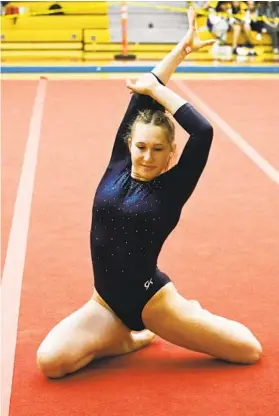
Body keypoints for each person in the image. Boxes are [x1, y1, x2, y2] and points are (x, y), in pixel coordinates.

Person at [36, 8, 262, 379]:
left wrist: (159, 91)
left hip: (153, 302)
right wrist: (181, 51)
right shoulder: (118, 162)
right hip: (105, 302)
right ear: (129, 143)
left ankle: (159, 324)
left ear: (170, 153)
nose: (147, 156)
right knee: (51, 362)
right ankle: (129, 339)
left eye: (159, 150)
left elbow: (202, 132)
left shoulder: (174, 186)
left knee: (247, 350)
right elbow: (143, 88)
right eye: (141, 146)